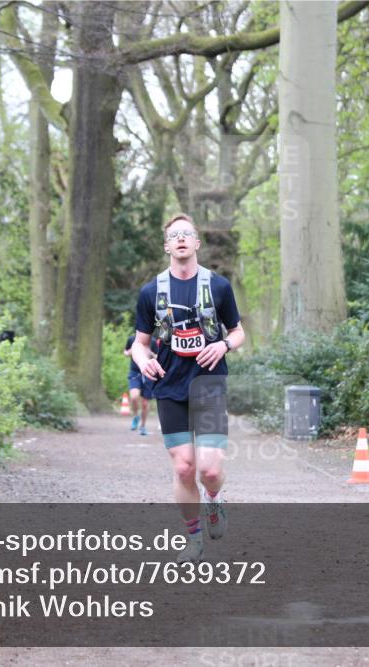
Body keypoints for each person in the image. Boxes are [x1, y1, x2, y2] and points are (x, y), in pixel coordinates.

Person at [130, 213, 245, 563]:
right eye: (174, 235)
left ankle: (213, 499)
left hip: (209, 385)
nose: (181, 239)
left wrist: (223, 345)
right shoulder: (151, 292)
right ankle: (193, 539)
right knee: (183, 468)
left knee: (209, 470)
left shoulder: (219, 287)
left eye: (187, 234)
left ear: (196, 243)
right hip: (169, 386)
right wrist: (143, 359)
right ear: (167, 245)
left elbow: (238, 332)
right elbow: (139, 342)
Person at [123, 333, 157, 436]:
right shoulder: (132, 339)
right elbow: (125, 352)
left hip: (149, 373)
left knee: (145, 403)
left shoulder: (154, 341)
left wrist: (151, 354)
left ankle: (143, 426)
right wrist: (129, 352)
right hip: (135, 372)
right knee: (134, 396)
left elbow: (158, 357)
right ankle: (135, 416)